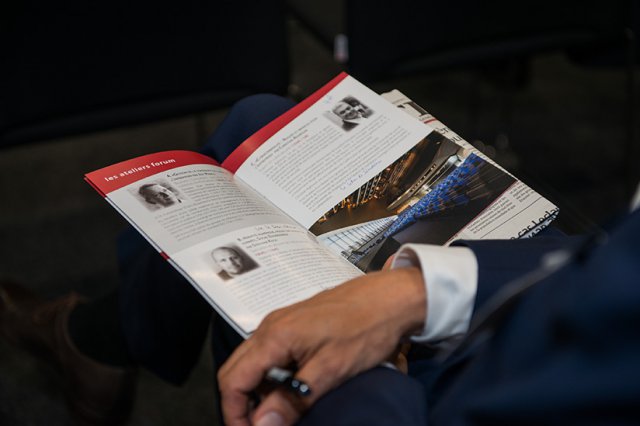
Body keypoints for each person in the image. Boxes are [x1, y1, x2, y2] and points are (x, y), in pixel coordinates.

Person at [1, 94, 639, 426]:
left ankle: (96, 342)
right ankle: (101, 342)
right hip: (557, 282)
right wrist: (418, 290)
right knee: (261, 123)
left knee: (249, 231)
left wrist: (365, 369)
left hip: (466, 395)